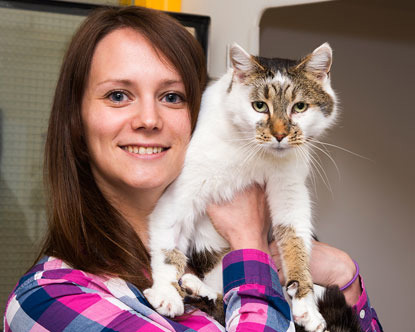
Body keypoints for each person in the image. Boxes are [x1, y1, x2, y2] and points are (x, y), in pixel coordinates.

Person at [3, 6, 382, 332]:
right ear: (75, 121)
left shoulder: (242, 227)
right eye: (118, 95)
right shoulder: (48, 301)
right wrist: (248, 245)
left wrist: (344, 281)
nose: (148, 119)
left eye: (172, 97)